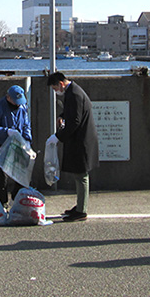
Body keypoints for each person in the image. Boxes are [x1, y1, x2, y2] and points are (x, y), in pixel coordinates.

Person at [47, 72, 99, 222]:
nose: (55, 91)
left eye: (54, 88)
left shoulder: (74, 94)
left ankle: (82, 210)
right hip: (81, 139)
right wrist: (62, 116)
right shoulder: (73, 92)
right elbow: (73, 113)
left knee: (81, 175)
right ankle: (80, 206)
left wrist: (58, 137)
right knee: (79, 174)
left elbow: (75, 121)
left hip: (82, 140)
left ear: (61, 84)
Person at [0, 85, 32, 206]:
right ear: (8, 97)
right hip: (0, 144)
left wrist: (27, 140)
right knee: (1, 176)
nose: (17, 105)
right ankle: (1, 202)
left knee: (21, 172)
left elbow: (26, 125)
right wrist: (6, 131)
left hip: (18, 144)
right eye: (15, 102)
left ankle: (17, 197)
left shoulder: (22, 108)